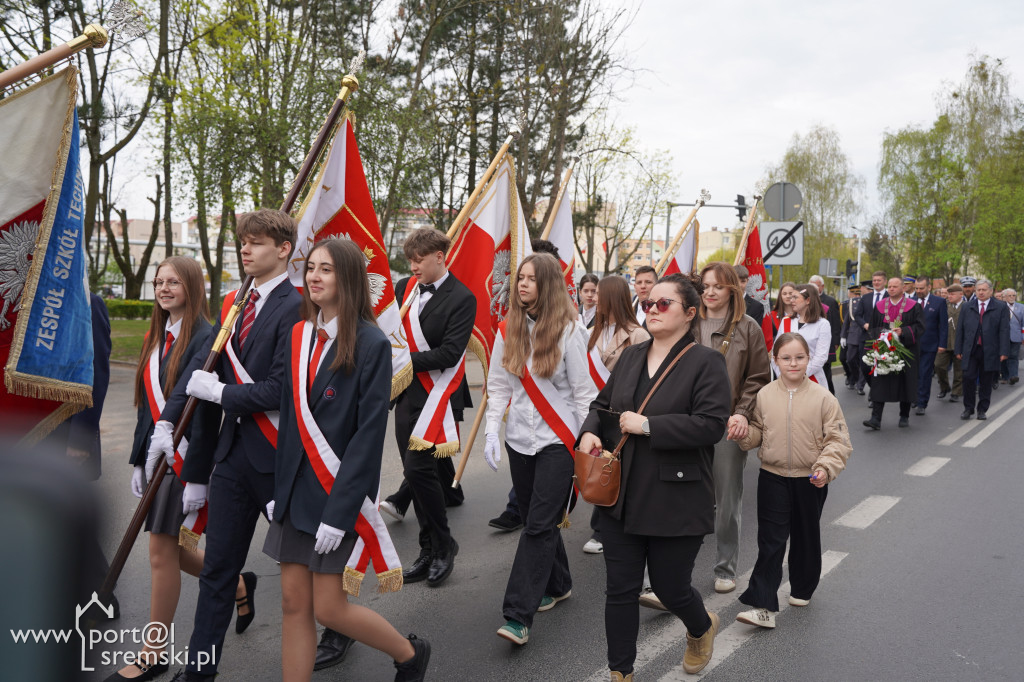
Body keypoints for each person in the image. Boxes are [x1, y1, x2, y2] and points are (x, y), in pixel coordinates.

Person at [264, 238, 429, 682]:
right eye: (310, 268)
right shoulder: (299, 334)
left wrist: (339, 515)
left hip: (335, 494)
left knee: (329, 609)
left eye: (326, 270)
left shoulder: (372, 343)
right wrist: (276, 492)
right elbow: (289, 423)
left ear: (348, 278)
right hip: (295, 491)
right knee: (293, 604)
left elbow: (366, 438)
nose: (313, 277)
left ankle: (410, 653)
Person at [155, 209, 304, 682]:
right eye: (243, 241)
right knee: (218, 572)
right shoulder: (234, 303)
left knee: (307, 576)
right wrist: (166, 420)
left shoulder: (298, 306)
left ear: (284, 250)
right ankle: (198, 672)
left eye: (257, 242)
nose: (245, 249)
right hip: (233, 459)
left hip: (281, 460)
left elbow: (282, 388)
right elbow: (200, 367)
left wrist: (223, 394)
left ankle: (351, 633)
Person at [579, 272, 731, 678]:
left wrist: (649, 425)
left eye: (665, 304)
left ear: (690, 313)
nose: (653, 309)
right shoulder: (631, 356)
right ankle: (621, 673)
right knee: (621, 590)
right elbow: (603, 404)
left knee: (669, 587)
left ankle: (701, 627)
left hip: (675, 497)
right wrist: (591, 430)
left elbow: (711, 425)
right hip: (623, 496)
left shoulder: (706, 361)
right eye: (649, 303)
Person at [106, 259, 251, 682]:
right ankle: (238, 584)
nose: (164, 288)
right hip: (159, 455)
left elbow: (204, 414)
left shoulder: (207, 336)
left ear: (192, 286)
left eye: (173, 281)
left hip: (186, 457)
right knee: (172, 551)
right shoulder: (157, 335)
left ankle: (153, 654)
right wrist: (138, 458)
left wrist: (198, 474)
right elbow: (146, 408)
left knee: (160, 553)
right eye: (158, 282)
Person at [481, 253, 595, 646]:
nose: (522, 284)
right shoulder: (507, 327)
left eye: (530, 279)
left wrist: (586, 445)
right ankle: (559, 583)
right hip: (519, 441)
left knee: (538, 525)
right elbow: (497, 385)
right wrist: (492, 431)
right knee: (536, 517)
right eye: (520, 278)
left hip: (557, 443)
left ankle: (517, 614)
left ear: (546, 284)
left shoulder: (569, 330)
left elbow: (584, 394)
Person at [734, 333, 851, 629]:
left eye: (799, 357)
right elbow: (759, 430)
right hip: (772, 476)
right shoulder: (764, 395)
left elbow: (838, 441)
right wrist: (745, 434)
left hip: (810, 479)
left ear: (808, 359)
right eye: (785, 358)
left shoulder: (824, 398)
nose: (793, 363)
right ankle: (763, 604)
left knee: (805, 536)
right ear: (775, 361)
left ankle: (803, 586)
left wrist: (825, 467)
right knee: (771, 540)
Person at [390, 228, 475, 587]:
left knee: (419, 470)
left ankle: (444, 546)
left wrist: (397, 359)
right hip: (407, 395)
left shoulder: (462, 297)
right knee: (418, 476)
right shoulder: (403, 290)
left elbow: (450, 353)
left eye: (419, 260)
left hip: (437, 396)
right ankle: (428, 548)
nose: (413, 266)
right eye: (409, 259)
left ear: (439, 256)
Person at [697, 262, 771, 595]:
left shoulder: (748, 327)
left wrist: (742, 413)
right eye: (705, 286)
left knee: (727, 502)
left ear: (732, 290)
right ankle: (672, 571)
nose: (709, 292)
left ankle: (725, 567)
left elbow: (758, 377)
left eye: (717, 286)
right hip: (686, 424)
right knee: (681, 498)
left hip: (727, 425)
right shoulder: (687, 321)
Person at [581, 275, 649, 555]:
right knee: (599, 465)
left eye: (599, 293)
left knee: (614, 468)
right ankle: (604, 524)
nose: (594, 298)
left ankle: (602, 529)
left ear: (613, 296)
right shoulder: (592, 329)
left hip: (623, 412)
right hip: (597, 407)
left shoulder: (638, 334)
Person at [862, 277, 924, 430]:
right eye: (889, 286)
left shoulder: (914, 306)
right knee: (879, 383)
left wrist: (904, 332)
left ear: (903, 288)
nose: (891, 289)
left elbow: (920, 327)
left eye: (895, 286)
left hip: (906, 350)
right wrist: (883, 333)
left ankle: (904, 415)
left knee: (906, 382)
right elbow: (872, 328)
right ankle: (875, 418)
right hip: (885, 349)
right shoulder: (880, 306)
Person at [955, 279, 1010, 420]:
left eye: (984, 290)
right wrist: (958, 349)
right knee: (968, 378)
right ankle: (968, 408)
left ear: (990, 291)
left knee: (986, 381)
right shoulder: (967, 307)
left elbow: (1004, 330)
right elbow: (960, 329)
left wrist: (1004, 351)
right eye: (978, 289)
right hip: (971, 349)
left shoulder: (1000, 306)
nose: (981, 292)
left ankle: (982, 409)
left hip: (990, 349)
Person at [770, 284, 831, 387]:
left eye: (795, 297)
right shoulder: (786, 321)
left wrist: (799, 375)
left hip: (812, 380)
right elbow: (775, 353)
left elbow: (821, 357)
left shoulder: (822, 324)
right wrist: (782, 374)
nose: (791, 300)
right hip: (785, 380)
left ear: (808, 300)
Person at [909, 277, 948, 415]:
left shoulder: (939, 302)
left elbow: (943, 325)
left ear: (929, 287)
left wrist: (942, 344)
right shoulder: (909, 301)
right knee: (913, 374)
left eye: (921, 288)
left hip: (930, 345)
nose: (918, 291)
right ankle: (913, 397)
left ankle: (921, 402)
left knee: (925, 374)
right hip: (911, 344)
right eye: (917, 288)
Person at [854, 272, 888, 394]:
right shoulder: (866, 298)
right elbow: (857, 315)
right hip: (866, 336)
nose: (876, 283)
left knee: (880, 367)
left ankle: (875, 394)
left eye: (879, 280)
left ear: (885, 282)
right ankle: (874, 388)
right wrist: (865, 324)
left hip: (884, 338)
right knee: (864, 366)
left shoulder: (890, 297)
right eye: (874, 280)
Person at [809, 275, 841, 394]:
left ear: (822, 286)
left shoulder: (830, 301)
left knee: (826, 375)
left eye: (816, 285)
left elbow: (835, 323)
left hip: (827, 342)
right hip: (812, 345)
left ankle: (830, 398)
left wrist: (836, 341)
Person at [935, 284, 965, 401]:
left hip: (959, 342)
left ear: (960, 295)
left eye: (952, 294)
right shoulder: (944, 305)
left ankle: (956, 392)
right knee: (938, 366)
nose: (949, 296)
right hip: (945, 342)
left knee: (959, 370)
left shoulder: (966, 306)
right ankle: (944, 387)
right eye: (949, 294)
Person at [839, 282, 864, 389]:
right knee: (848, 359)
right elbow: (844, 321)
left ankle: (860, 383)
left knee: (863, 361)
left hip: (863, 334)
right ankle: (853, 376)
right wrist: (843, 336)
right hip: (851, 335)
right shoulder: (846, 304)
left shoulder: (865, 302)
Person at [765, 281, 798, 348]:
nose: (788, 296)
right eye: (784, 294)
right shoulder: (772, 316)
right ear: (780, 296)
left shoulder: (801, 315)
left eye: (790, 293)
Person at [1000, 289, 1023, 385]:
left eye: (1013, 295)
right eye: (1009, 295)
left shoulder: (1022, 307)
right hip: (1001, 337)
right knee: (1003, 357)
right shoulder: (1000, 307)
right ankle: (1005, 376)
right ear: (1004, 297)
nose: (1012, 297)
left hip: (1016, 336)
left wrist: (1023, 336)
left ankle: (1013, 376)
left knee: (1013, 356)